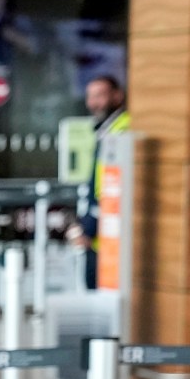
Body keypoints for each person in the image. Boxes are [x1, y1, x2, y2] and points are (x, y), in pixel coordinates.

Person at [71, 73, 129, 288]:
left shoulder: (121, 130)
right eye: (90, 97)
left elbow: (111, 187)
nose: (93, 103)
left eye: (100, 96)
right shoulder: (106, 131)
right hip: (102, 234)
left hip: (109, 234)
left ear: (117, 96)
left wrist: (89, 227)